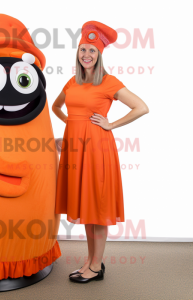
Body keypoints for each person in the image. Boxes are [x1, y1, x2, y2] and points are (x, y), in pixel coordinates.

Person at [52, 21, 149, 283]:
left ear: (99, 55)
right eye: (83, 49)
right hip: (75, 150)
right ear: (78, 53)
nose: (86, 55)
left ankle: (96, 267)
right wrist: (70, 128)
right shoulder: (72, 81)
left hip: (97, 149)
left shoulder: (109, 82)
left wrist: (111, 124)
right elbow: (56, 107)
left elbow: (141, 107)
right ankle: (90, 261)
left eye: (92, 51)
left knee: (98, 206)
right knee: (86, 206)